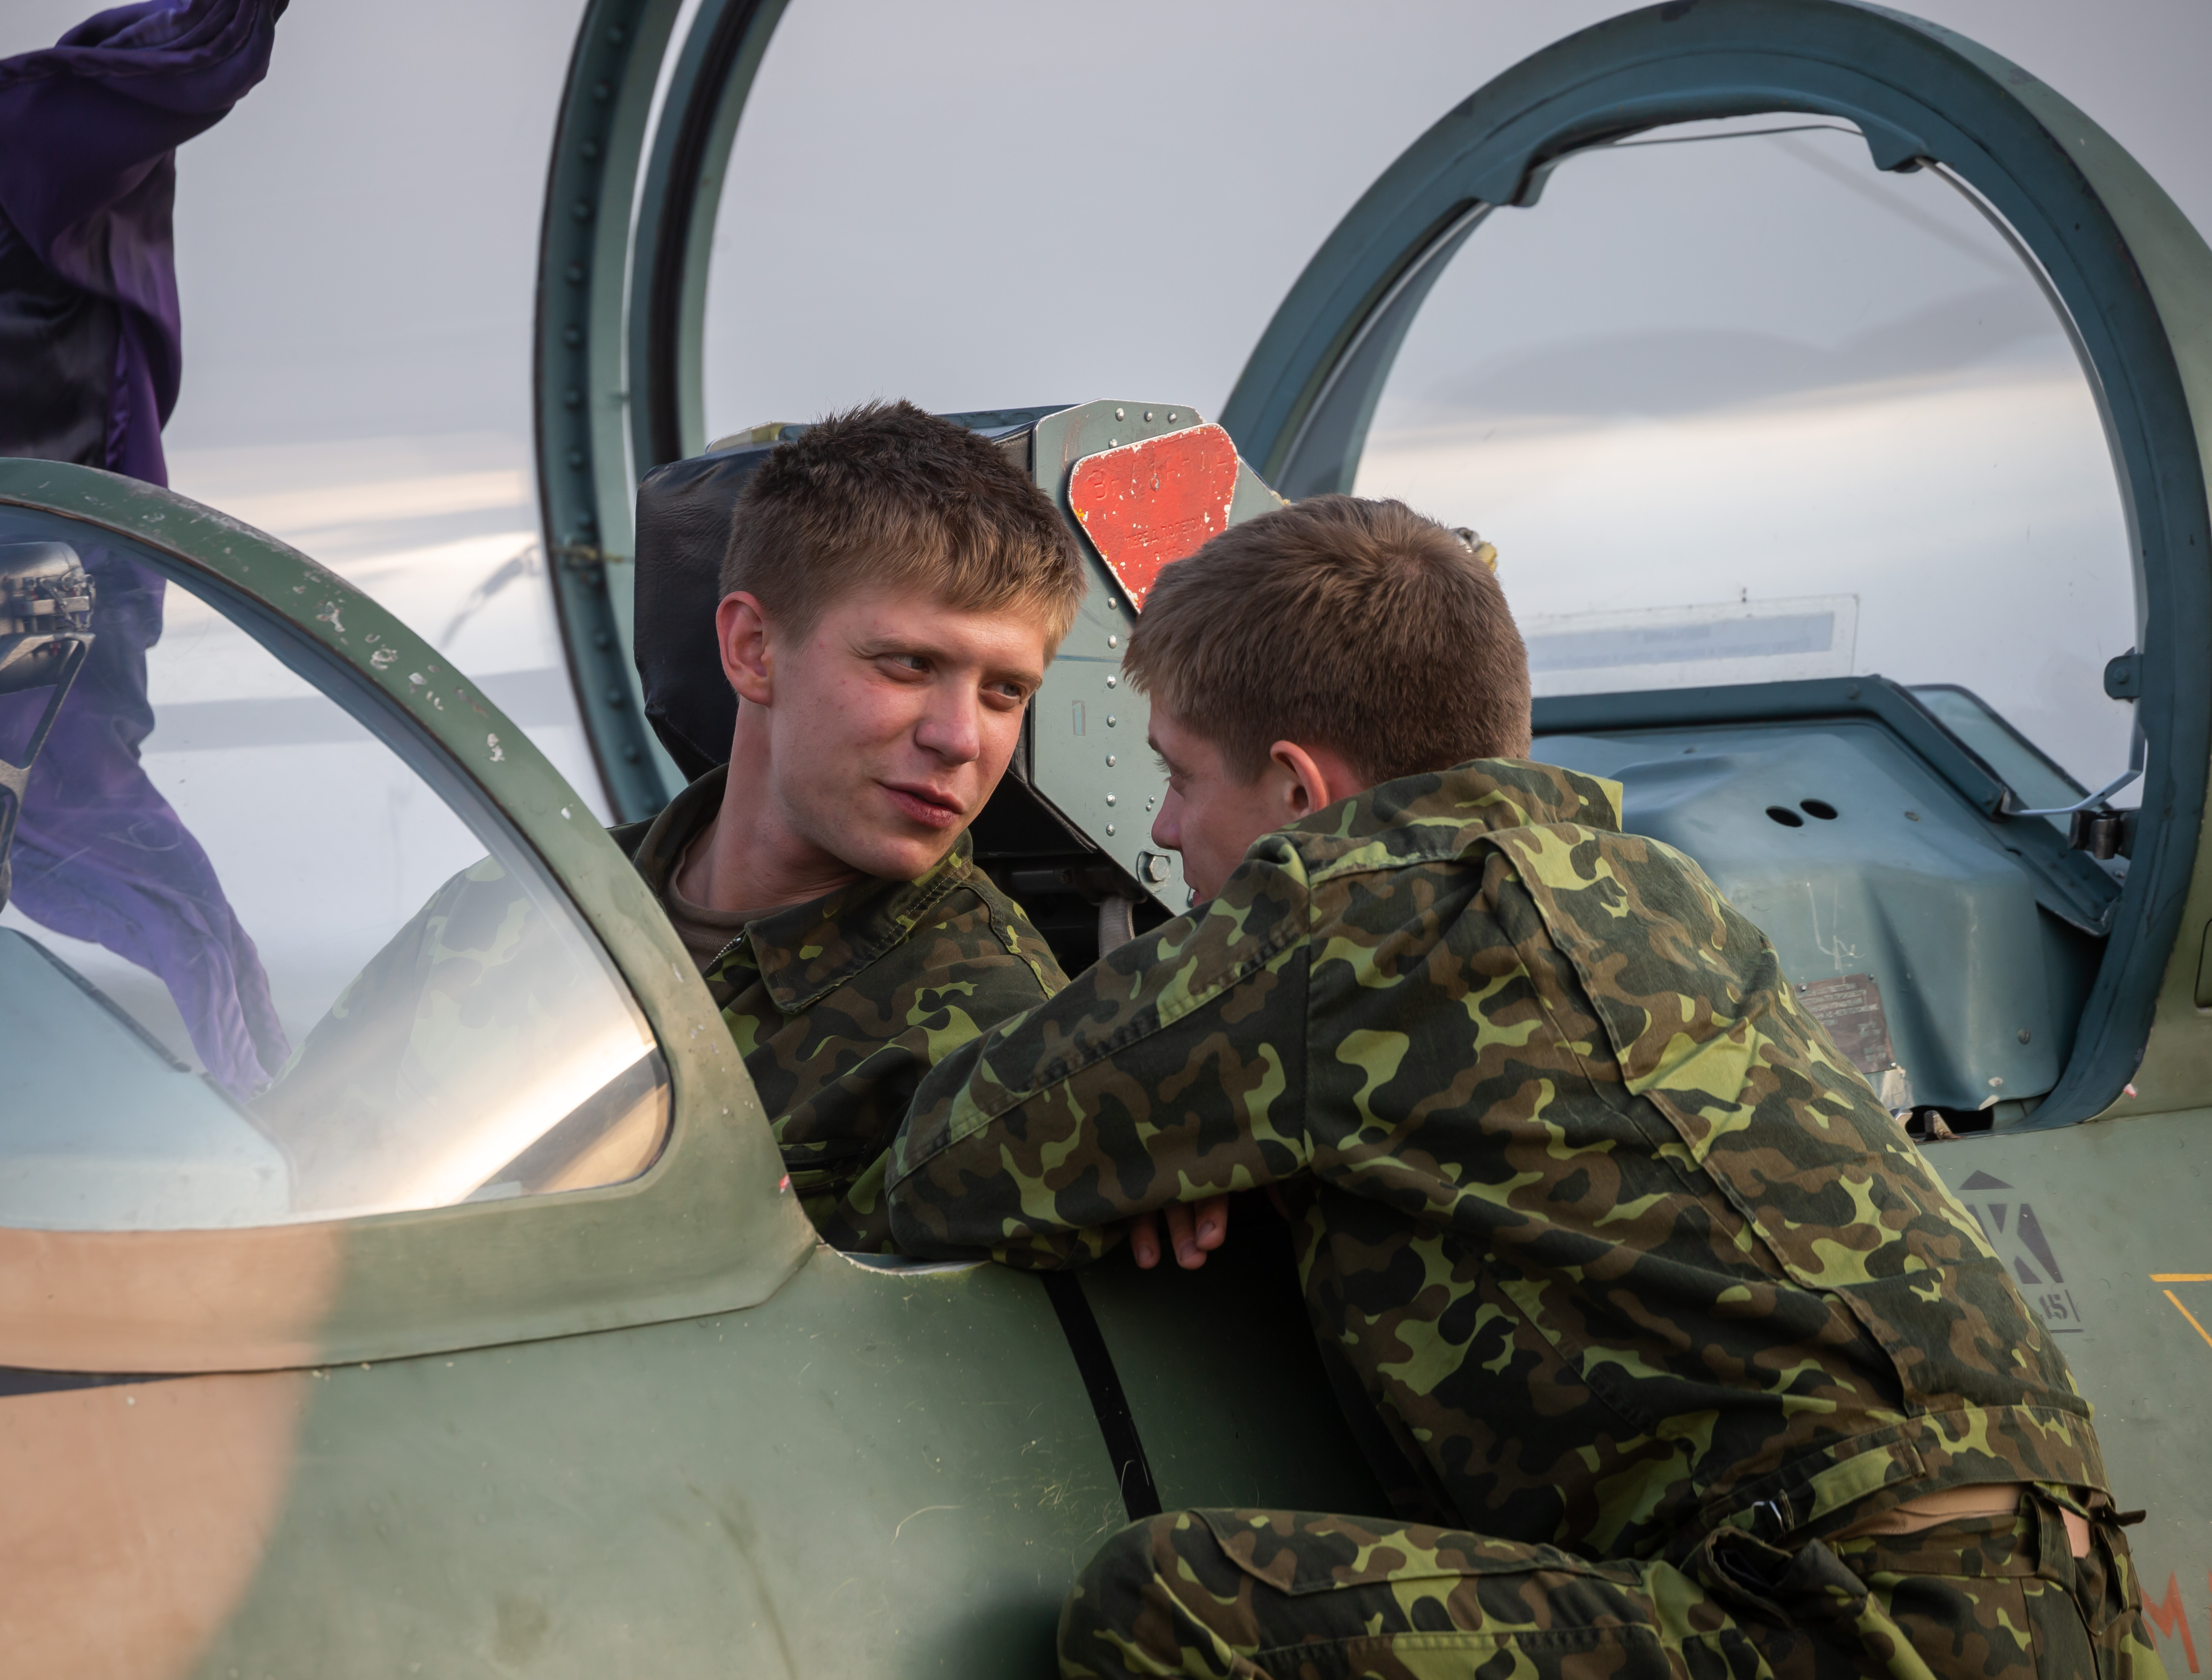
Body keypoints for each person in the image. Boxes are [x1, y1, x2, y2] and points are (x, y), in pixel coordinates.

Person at [885, 495, 2157, 1680]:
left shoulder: (1339, 922)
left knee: (1174, 1607)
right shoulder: (1663, 896)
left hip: (1829, 1617)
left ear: (1297, 789)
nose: (1164, 831)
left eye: (1180, 778)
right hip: (2066, 1600)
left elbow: (942, 1166)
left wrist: (1163, 1150)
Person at [604, 399, 1081, 1247]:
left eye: (1005, 691)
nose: (961, 739)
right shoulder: (542, 905)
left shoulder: (996, 1042)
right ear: (754, 649)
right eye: (910, 664)